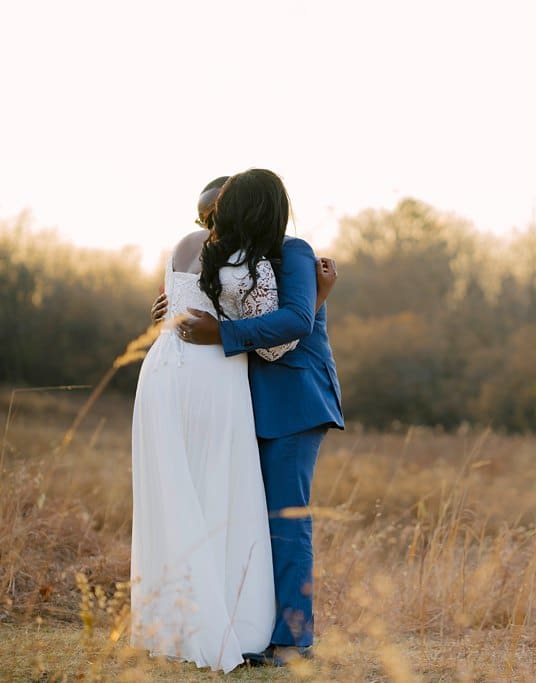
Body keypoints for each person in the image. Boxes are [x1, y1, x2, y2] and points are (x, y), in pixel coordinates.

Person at [131, 170, 301, 672]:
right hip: (212, 378)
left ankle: (171, 623)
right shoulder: (251, 260)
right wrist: (317, 300)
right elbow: (277, 344)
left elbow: (175, 310)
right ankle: (225, 625)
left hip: (161, 374)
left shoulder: (184, 244)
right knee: (220, 491)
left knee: (171, 495)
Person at [174, 174, 345, 666]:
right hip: (243, 401)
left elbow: (296, 319)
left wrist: (220, 334)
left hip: (295, 400)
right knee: (245, 516)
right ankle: (244, 625)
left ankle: (293, 642)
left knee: (285, 520)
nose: (211, 223)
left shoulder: (293, 253)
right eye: (205, 216)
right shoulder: (230, 260)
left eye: (219, 212)